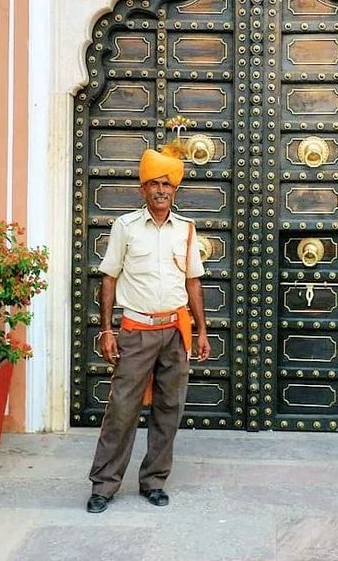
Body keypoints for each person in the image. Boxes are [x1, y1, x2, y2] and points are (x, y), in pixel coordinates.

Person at [87, 146, 211, 513]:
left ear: (175, 191)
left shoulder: (186, 230)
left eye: (167, 185)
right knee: (121, 409)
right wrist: (106, 331)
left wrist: (202, 331)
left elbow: (194, 283)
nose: (160, 191)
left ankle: (154, 481)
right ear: (142, 190)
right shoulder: (125, 227)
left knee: (169, 409)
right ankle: (103, 486)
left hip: (175, 330)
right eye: (154, 184)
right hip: (136, 329)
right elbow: (108, 280)